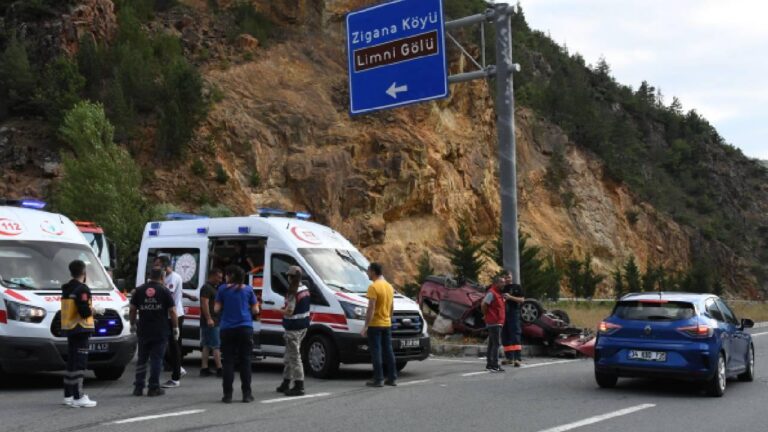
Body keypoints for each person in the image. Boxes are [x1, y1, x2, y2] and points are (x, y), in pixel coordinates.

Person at [130, 267, 178, 396]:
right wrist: (175, 327)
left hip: (143, 329)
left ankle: (138, 387)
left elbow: (132, 309)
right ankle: (153, 387)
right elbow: (172, 311)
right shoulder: (164, 291)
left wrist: (132, 323)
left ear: (150, 276)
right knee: (156, 359)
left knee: (142, 358)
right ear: (162, 277)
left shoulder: (139, 290)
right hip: (160, 330)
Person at [215, 265, 259, 403]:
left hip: (227, 328)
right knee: (245, 361)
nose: (225, 277)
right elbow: (256, 310)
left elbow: (216, 309)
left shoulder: (222, 289)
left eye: (227, 274)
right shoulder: (248, 289)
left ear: (231, 276)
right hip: (245, 327)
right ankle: (247, 394)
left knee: (228, 361)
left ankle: (227, 395)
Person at [61, 260, 100, 408]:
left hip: (70, 328)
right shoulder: (82, 289)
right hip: (81, 328)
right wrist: (95, 311)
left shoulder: (67, 288)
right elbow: (84, 311)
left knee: (71, 362)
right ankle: (79, 396)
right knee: (80, 363)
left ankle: (68, 395)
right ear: (84, 273)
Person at [155, 256, 197, 389]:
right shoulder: (167, 278)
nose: (154, 268)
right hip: (168, 315)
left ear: (165, 266)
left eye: (157, 265)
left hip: (173, 316)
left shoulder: (172, 277)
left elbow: (167, 294)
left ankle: (176, 377)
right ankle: (178, 368)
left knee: (173, 345)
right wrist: (189, 295)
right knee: (168, 344)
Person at [276, 266, 310, 396]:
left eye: (288, 276)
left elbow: (289, 312)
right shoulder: (305, 289)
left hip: (293, 328)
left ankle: (299, 386)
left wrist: (278, 310)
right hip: (303, 327)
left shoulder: (293, 292)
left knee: (294, 357)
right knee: (290, 355)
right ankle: (286, 382)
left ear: (291, 277)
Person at [361, 262, 397, 387]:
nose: (367, 273)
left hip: (375, 324)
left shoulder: (373, 287)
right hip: (386, 323)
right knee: (388, 351)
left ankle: (378, 378)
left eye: (368, 271)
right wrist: (389, 319)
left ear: (373, 272)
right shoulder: (389, 286)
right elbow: (392, 306)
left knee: (376, 351)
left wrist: (366, 326)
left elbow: (371, 307)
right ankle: (392, 378)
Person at [200, 268, 223, 377]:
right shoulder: (206, 288)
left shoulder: (214, 288)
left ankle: (204, 368)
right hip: (211, 321)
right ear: (212, 276)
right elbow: (204, 304)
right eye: (218, 277)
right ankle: (220, 369)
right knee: (216, 345)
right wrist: (209, 318)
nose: (220, 279)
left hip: (212, 320)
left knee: (207, 345)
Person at [481, 277, 506, 373]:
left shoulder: (498, 294)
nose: (504, 284)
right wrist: (486, 314)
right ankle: (494, 365)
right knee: (496, 344)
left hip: (497, 322)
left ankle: (490, 364)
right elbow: (484, 304)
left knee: (492, 344)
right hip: (494, 322)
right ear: (496, 283)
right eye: (502, 282)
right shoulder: (492, 293)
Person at [501, 273, 525, 367]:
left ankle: (517, 358)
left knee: (515, 334)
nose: (507, 279)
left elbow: (522, 300)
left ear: (512, 278)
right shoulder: (501, 288)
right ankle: (509, 358)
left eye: (509, 277)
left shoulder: (517, 287)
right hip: (503, 313)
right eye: (505, 277)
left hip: (513, 312)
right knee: (505, 335)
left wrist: (510, 297)